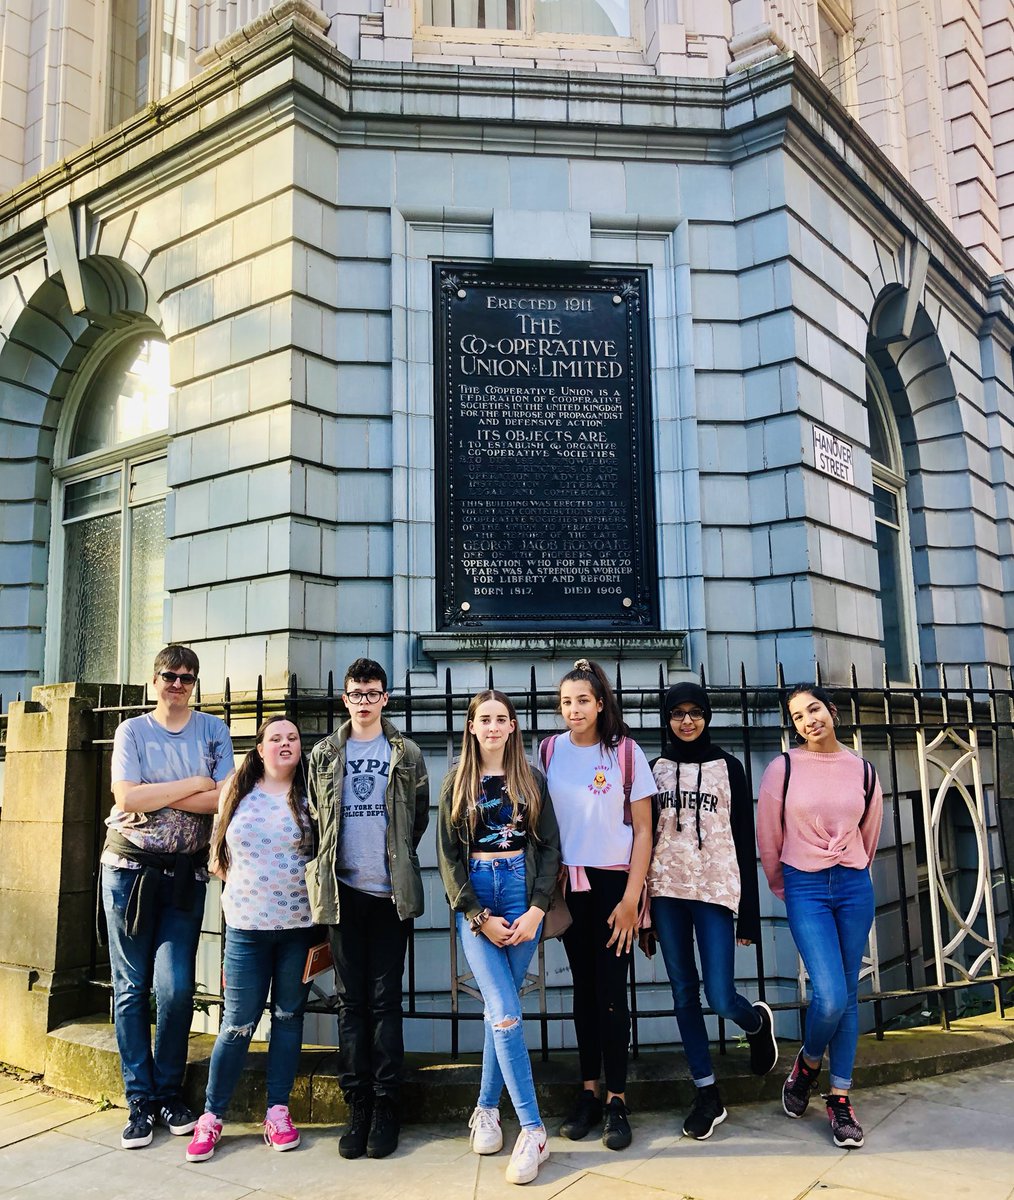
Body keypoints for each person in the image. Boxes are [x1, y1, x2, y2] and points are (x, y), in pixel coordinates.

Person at [102, 644, 234, 1149]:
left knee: (175, 988)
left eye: (186, 677)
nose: (177, 684)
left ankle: (170, 1091)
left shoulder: (212, 730)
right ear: (153, 680)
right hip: (128, 871)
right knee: (132, 988)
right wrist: (193, 784)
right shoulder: (133, 731)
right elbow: (126, 798)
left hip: (183, 874)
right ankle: (140, 1099)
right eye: (169, 676)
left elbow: (223, 796)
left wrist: (160, 790)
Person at [305, 658, 429, 1160]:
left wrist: (393, 863)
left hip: (389, 896)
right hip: (342, 894)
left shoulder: (406, 753)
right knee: (349, 1004)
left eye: (371, 693)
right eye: (356, 693)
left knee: (384, 1003)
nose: (363, 701)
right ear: (346, 699)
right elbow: (317, 817)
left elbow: (417, 820)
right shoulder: (323, 754)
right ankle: (356, 1103)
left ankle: (385, 1104)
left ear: (385, 698)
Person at [437, 690, 561, 1186]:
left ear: (513, 727)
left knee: (499, 1010)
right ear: (471, 726)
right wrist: (475, 914)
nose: (492, 726)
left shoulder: (531, 780)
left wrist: (536, 910)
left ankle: (487, 1108)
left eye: (501, 719)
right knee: (506, 1011)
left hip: (521, 896)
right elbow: (447, 856)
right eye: (483, 718)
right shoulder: (457, 781)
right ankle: (533, 1128)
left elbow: (550, 847)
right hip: (479, 898)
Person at [644, 682, 777, 1140]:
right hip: (665, 892)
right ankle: (707, 1093)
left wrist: (750, 915)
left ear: (706, 716)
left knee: (719, 995)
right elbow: (642, 839)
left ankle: (756, 1024)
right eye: (677, 713)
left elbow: (745, 839)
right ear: (667, 718)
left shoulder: (729, 767)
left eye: (695, 712)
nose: (686, 721)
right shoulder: (653, 769)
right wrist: (643, 909)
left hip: (717, 890)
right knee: (684, 992)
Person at [756, 684, 883, 1150]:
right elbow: (768, 839)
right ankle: (809, 1062)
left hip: (852, 884)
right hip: (804, 886)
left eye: (814, 709)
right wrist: (787, 886)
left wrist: (849, 867)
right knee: (829, 994)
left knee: (848, 993)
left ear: (831, 711)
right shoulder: (782, 768)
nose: (808, 720)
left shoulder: (863, 770)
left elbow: (869, 833)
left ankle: (840, 1098)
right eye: (798, 716)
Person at [185, 716, 317, 1163]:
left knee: (287, 1018)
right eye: (275, 738)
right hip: (246, 930)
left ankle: (278, 1111)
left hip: (298, 927)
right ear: (259, 749)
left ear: (300, 748)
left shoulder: (310, 794)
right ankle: (211, 1116)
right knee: (237, 1024)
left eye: (292, 738)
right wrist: (247, 889)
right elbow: (217, 854)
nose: (284, 744)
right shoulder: (236, 791)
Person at [542, 658, 656, 1151]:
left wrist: (632, 899)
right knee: (584, 994)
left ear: (601, 702)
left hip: (615, 889)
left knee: (612, 994)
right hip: (569, 887)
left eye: (583, 701)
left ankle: (617, 1099)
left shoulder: (626, 753)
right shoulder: (548, 751)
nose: (574, 710)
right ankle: (588, 1092)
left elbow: (646, 830)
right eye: (566, 702)